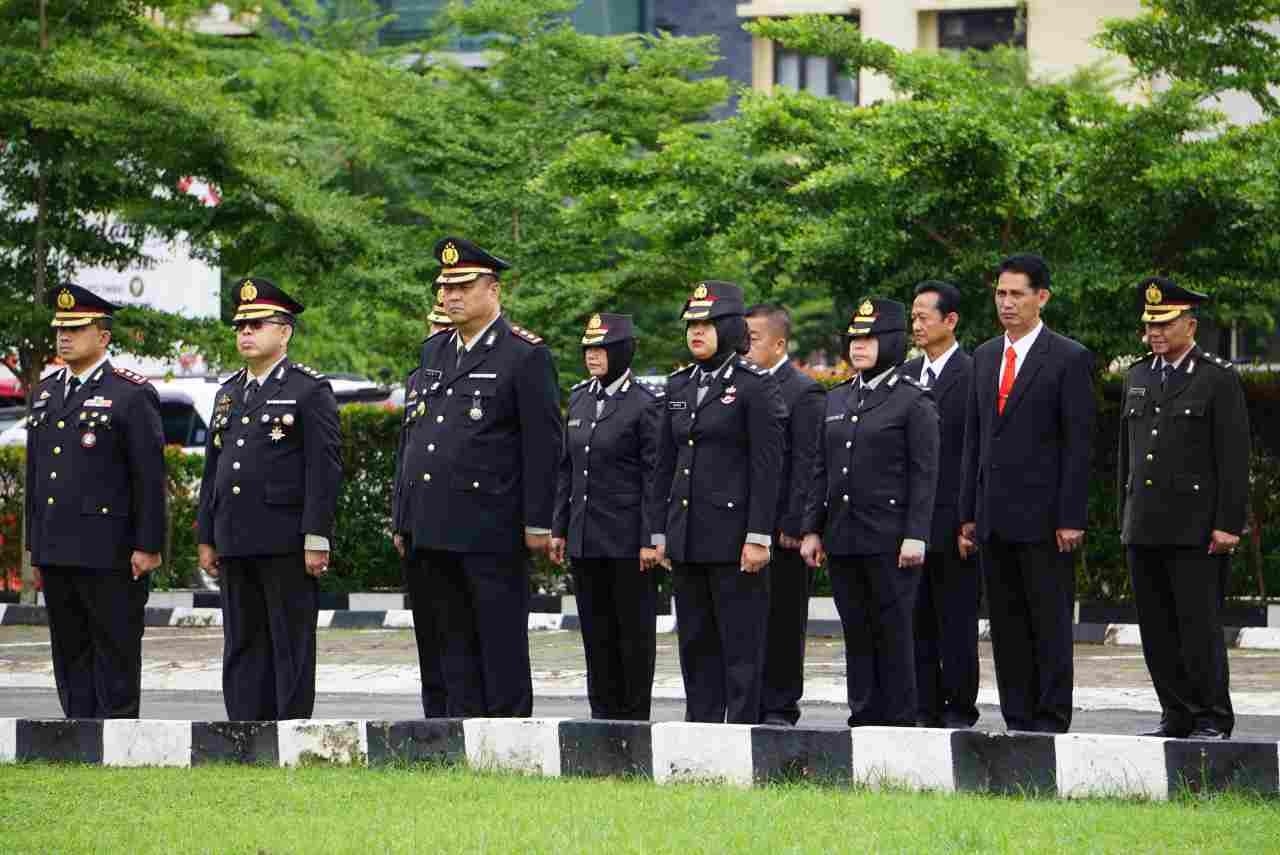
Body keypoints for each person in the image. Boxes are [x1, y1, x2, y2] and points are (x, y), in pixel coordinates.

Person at [396, 237, 561, 718]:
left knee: (498, 639)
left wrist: (537, 523)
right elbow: (416, 437)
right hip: (431, 524)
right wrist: (403, 517)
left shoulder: (523, 355)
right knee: (447, 641)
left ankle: (506, 735)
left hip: (490, 525)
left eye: (463, 286)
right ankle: (454, 732)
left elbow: (542, 444)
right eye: (445, 287)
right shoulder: (434, 352)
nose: (451, 296)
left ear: (493, 289)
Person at [958, 254, 1095, 733]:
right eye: (1001, 293)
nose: (1007, 303)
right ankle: (1017, 716)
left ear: (1042, 297)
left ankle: (1050, 717)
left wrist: (1071, 515)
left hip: (1045, 518)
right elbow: (974, 440)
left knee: (1049, 622)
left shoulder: (1068, 357)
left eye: (1017, 294)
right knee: (1007, 624)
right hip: (994, 515)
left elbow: (1079, 445)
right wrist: (968, 513)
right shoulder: (984, 356)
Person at [197, 277, 343, 721]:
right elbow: (213, 471)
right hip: (236, 537)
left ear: (285, 332)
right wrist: (207, 534)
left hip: (285, 538)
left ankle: (289, 728)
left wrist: (316, 536)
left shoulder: (308, 390)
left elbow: (325, 469)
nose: (245, 333)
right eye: (241, 325)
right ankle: (244, 726)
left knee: (289, 641)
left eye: (257, 324)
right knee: (242, 640)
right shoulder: (228, 392)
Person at [25, 284, 165, 718]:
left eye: (76, 328)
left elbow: (148, 477)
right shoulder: (47, 392)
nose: (64, 337)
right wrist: (35, 544)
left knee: (115, 649)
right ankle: (78, 734)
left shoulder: (130, 393)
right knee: (69, 651)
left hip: (110, 550)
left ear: (103, 336)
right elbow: (37, 476)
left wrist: (148, 545)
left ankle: (118, 736)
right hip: (57, 547)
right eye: (60, 329)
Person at [650, 280, 785, 724]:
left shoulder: (754, 386)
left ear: (729, 328)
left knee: (740, 646)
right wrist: (660, 533)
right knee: (695, 641)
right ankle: (701, 729)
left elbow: (768, 468)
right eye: (691, 323)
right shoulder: (679, 385)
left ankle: (742, 730)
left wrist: (759, 536)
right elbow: (664, 467)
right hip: (687, 537)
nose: (696, 332)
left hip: (734, 539)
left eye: (707, 324)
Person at [1120, 277, 1248, 740]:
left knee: (1199, 628)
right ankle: (1175, 712)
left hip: (1194, 527)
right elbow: (1127, 457)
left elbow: (1233, 458)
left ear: (1190, 324)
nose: (1155, 332)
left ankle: (1212, 716)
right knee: (1156, 631)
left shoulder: (1216, 378)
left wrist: (1228, 524)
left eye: (1166, 323)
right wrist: (1125, 516)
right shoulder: (1138, 375)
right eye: (1150, 324)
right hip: (1145, 524)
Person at [801, 299, 939, 727]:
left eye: (869, 338)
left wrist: (916, 533)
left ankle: (898, 718)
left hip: (890, 536)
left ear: (892, 342)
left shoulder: (912, 401)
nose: (858, 346)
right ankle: (863, 713)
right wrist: (811, 529)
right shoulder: (839, 398)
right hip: (844, 536)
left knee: (893, 630)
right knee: (857, 630)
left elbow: (924, 474)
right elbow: (820, 470)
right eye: (854, 338)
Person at [551, 312, 662, 720]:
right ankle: (602, 717)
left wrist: (651, 538)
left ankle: (632, 719)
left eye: (600, 349)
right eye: (588, 349)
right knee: (596, 636)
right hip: (585, 537)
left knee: (631, 636)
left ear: (621, 352)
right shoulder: (580, 397)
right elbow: (567, 467)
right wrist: (560, 527)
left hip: (628, 543)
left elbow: (654, 476)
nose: (592, 356)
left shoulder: (644, 404)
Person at [902, 281, 980, 729]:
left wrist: (968, 518)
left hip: (954, 520)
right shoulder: (907, 374)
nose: (917, 324)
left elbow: (973, 452)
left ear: (950, 321)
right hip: (912, 521)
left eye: (924, 316)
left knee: (955, 620)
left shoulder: (972, 374)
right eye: (913, 317)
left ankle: (958, 707)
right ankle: (923, 705)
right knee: (917, 619)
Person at [745, 304, 825, 726]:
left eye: (754, 337)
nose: (746, 346)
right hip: (747, 528)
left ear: (779, 343)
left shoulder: (803, 391)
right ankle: (750, 702)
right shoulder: (742, 386)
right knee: (748, 624)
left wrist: (796, 524)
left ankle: (779, 706)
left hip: (784, 532)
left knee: (783, 622)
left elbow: (808, 464)